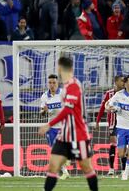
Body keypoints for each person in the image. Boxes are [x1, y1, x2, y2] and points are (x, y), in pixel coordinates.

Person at [38, 56, 98, 191]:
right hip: (64, 134)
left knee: (86, 167)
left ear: (59, 68)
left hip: (78, 134)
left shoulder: (74, 85)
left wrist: (49, 124)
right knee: (53, 166)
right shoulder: (65, 86)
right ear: (71, 68)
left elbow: (68, 109)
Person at [39, 74, 70, 180]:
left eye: (54, 83)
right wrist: (44, 111)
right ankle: (64, 172)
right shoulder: (44, 96)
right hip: (51, 127)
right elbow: (42, 112)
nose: (52, 85)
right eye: (50, 83)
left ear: (57, 83)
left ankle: (64, 165)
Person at [95, 75, 125, 175]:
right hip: (113, 123)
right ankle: (111, 169)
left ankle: (124, 170)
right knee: (113, 144)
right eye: (121, 81)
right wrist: (97, 121)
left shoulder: (125, 93)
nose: (123, 83)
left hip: (124, 122)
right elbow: (102, 108)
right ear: (116, 82)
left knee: (123, 145)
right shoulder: (109, 93)